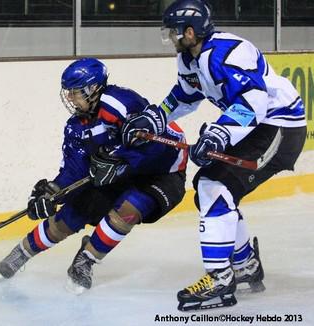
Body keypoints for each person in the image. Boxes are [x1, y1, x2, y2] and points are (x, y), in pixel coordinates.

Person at [122, 0, 307, 311]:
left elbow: (253, 102)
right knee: (209, 187)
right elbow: (184, 96)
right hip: (257, 127)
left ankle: (221, 278)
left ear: (190, 32)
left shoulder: (227, 52)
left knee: (214, 186)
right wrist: (154, 118)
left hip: (280, 126)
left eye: (174, 33)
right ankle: (245, 265)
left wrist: (219, 134)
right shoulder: (189, 58)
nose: (171, 38)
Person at [0, 58, 188, 293]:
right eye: (68, 92)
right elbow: (74, 171)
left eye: (75, 92)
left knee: (129, 208)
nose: (70, 98)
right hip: (122, 173)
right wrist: (53, 192)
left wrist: (122, 161)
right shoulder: (76, 127)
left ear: (93, 89)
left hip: (163, 172)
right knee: (73, 213)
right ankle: (20, 254)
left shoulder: (120, 103)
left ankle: (86, 261)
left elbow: (156, 147)